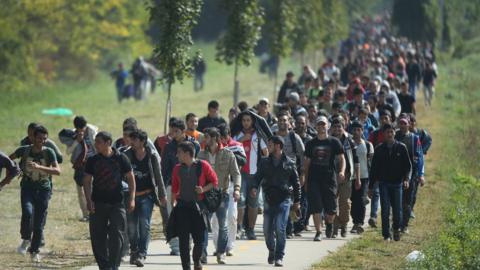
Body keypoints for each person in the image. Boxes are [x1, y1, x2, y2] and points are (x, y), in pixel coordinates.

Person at [83, 131, 136, 270]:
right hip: (98, 203)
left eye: (98, 142)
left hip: (117, 203)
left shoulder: (121, 158)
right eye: (95, 142)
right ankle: (104, 266)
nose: (95, 145)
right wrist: (88, 200)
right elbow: (87, 181)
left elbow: (130, 178)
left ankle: (113, 265)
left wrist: (132, 199)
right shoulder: (93, 160)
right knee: (97, 237)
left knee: (117, 235)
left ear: (108, 143)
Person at [8, 125, 61, 262]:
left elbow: (58, 171)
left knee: (38, 223)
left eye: (44, 138)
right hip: (27, 188)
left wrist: (39, 167)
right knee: (27, 212)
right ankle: (26, 238)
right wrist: (15, 169)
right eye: (39, 138)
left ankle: (34, 251)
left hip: (43, 189)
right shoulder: (24, 150)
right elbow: (8, 160)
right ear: (32, 138)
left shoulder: (49, 152)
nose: (42, 141)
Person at [169, 141, 218, 270]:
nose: (177, 155)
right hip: (182, 207)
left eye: (179, 152)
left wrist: (203, 189)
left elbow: (214, 181)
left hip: (198, 208)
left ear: (187, 153)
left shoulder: (203, 165)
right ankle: (186, 267)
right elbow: (174, 188)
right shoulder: (177, 168)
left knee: (199, 239)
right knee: (183, 241)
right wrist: (173, 203)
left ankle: (196, 261)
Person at [253, 136, 301, 267]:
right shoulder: (264, 162)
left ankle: (279, 256)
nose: (268, 146)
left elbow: (296, 184)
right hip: (268, 199)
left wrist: (297, 201)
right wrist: (253, 187)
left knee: (280, 229)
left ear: (278, 146)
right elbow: (257, 177)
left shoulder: (290, 163)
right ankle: (272, 251)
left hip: (284, 200)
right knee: (267, 230)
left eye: (270, 144)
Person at [124, 129, 167, 267]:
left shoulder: (151, 156)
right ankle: (134, 251)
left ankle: (142, 254)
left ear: (142, 141)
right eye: (131, 139)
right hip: (130, 196)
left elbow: (158, 177)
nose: (132, 142)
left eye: (134, 140)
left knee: (145, 225)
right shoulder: (126, 155)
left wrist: (162, 195)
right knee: (131, 227)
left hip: (146, 196)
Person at [198, 128, 241, 264]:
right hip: (205, 195)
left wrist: (237, 189)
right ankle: (202, 254)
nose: (205, 139)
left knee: (223, 225)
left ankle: (221, 252)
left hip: (222, 194)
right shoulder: (200, 155)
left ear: (215, 138)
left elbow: (236, 173)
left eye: (207, 137)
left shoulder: (228, 154)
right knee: (203, 225)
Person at [304, 116, 345, 241]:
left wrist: (342, 171)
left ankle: (329, 224)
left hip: (329, 179)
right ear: (315, 127)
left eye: (324, 124)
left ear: (328, 126)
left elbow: (341, 159)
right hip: (314, 179)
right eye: (319, 124)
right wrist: (305, 178)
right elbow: (307, 163)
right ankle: (318, 232)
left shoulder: (334, 142)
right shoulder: (311, 144)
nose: (321, 127)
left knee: (331, 209)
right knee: (316, 206)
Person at [368, 124, 412, 241]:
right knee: (385, 210)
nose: (390, 134)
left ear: (394, 133)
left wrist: (406, 179)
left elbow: (407, 166)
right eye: (387, 132)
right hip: (384, 184)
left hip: (397, 184)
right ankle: (386, 234)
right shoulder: (379, 149)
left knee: (397, 211)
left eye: (391, 132)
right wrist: (371, 187)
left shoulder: (401, 147)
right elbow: (374, 169)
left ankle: (396, 229)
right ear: (384, 134)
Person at [233, 112, 268, 240]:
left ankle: (251, 230)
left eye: (248, 120)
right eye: (244, 120)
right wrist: (242, 140)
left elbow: (265, 152)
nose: (246, 123)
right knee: (240, 200)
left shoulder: (258, 135)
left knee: (253, 203)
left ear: (252, 121)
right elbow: (230, 147)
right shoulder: (237, 135)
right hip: (241, 174)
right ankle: (239, 228)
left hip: (255, 175)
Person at [58, 116, 98, 222]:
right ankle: (86, 215)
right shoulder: (72, 135)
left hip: (93, 163)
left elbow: (97, 146)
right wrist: (77, 141)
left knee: (94, 188)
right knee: (81, 191)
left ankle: (95, 212)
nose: (82, 130)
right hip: (80, 165)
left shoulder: (92, 131)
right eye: (79, 129)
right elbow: (68, 151)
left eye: (83, 128)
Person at [275, 112, 305, 238]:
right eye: (280, 120)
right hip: (276, 174)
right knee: (278, 202)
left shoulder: (294, 137)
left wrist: (302, 173)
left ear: (289, 122)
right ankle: (280, 228)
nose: (282, 122)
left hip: (291, 173)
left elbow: (302, 154)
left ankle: (290, 229)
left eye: (285, 120)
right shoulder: (274, 137)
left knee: (290, 202)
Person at [330, 116, 360, 238]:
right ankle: (335, 227)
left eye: (340, 126)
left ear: (344, 127)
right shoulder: (328, 141)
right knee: (332, 204)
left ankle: (344, 224)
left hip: (346, 177)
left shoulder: (350, 142)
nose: (337, 129)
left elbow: (356, 161)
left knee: (345, 204)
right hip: (331, 177)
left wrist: (357, 178)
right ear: (332, 128)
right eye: (335, 126)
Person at [395, 117, 424, 233]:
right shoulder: (394, 136)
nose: (402, 125)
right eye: (400, 123)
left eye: (404, 124)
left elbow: (420, 157)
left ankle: (404, 225)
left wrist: (421, 174)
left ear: (408, 125)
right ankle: (397, 224)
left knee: (407, 202)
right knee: (397, 202)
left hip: (411, 175)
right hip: (395, 175)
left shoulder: (414, 138)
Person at [349, 121, 373, 234]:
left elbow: (371, 162)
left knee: (361, 200)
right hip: (351, 177)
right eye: (354, 130)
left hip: (364, 176)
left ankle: (359, 223)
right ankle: (355, 222)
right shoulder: (348, 144)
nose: (357, 132)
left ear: (362, 131)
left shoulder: (368, 145)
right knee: (354, 201)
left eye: (359, 130)